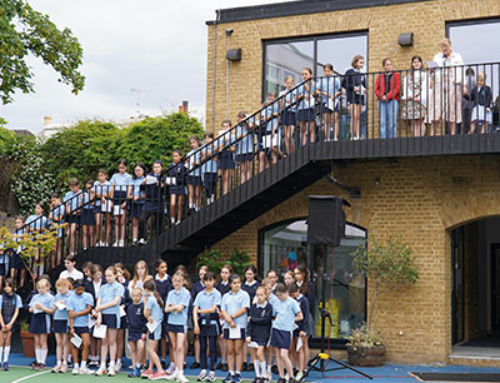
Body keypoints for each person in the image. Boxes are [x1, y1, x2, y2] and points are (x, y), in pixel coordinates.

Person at [429, 38, 464, 136]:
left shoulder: (457, 56)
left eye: (445, 47)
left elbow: (461, 70)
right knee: (436, 107)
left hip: (453, 82)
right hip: (439, 82)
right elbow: (433, 73)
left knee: (451, 107)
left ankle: (452, 133)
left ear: (450, 46)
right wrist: (431, 71)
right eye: (441, 47)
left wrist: (463, 85)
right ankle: (432, 134)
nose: (443, 49)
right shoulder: (437, 57)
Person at [93, 266, 125, 376]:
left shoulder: (119, 287)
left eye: (110, 276)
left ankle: (112, 365)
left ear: (115, 275)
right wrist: (99, 314)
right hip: (103, 316)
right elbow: (99, 301)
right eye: (106, 276)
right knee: (104, 341)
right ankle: (102, 365)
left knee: (112, 341)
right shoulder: (103, 287)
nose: (108, 278)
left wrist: (100, 308)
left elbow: (115, 302)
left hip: (113, 315)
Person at [221, 273, 251, 383]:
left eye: (238, 283)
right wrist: (229, 321)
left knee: (238, 350)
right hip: (229, 326)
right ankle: (231, 372)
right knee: (230, 350)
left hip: (240, 326)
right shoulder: (225, 296)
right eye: (234, 283)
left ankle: (238, 373)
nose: (237, 285)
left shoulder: (244, 295)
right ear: (230, 284)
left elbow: (244, 309)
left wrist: (232, 317)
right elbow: (223, 310)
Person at [271, 284, 303, 383]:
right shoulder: (276, 302)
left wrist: (291, 320)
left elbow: (300, 316)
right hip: (276, 328)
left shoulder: (292, 302)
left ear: (286, 292)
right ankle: (281, 377)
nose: (279, 297)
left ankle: (291, 376)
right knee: (277, 355)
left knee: (284, 354)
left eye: (280, 295)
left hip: (286, 331)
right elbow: (274, 315)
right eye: (277, 295)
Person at [193, 271, 221, 383]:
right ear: (203, 281)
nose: (208, 283)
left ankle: (212, 371)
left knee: (213, 347)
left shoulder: (217, 294)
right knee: (203, 347)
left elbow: (212, 309)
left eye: (211, 280)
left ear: (214, 281)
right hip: (202, 323)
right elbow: (194, 309)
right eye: (206, 280)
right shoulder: (200, 294)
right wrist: (195, 324)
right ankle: (203, 369)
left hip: (213, 323)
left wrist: (200, 311)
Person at [163, 272, 191, 383]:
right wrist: (174, 307)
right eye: (175, 281)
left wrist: (172, 307)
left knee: (180, 347)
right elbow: (166, 309)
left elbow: (180, 308)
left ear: (183, 282)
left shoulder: (186, 293)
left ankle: (181, 372)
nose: (176, 283)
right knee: (174, 347)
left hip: (181, 323)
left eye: (179, 281)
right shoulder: (170, 293)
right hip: (171, 322)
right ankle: (176, 371)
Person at [246, 286, 273, 383]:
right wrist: (248, 334)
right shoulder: (253, 307)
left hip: (263, 334)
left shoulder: (268, 307)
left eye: (261, 295)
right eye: (257, 295)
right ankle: (258, 376)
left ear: (265, 295)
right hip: (254, 334)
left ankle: (265, 375)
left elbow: (265, 320)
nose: (259, 297)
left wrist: (252, 319)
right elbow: (249, 323)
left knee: (260, 353)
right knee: (254, 355)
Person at [68, 279, 94, 375]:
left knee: (87, 343)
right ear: (74, 288)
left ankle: (83, 366)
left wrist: (76, 314)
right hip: (74, 325)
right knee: (74, 345)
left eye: (81, 289)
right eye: (78, 289)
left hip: (84, 324)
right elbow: (70, 314)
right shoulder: (70, 298)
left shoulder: (88, 296)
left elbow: (88, 309)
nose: (80, 291)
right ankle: (76, 367)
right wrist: (71, 327)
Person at [28, 278, 54, 370]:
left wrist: (42, 308)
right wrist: (32, 309)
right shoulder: (35, 297)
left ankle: (43, 362)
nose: (40, 290)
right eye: (39, 288)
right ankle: (38, 361)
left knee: (43, 341)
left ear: (47, 287)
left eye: (42, 288)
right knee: (37, 341)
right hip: (35, 318)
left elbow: (51, 311)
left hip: (44, 319)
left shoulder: (50, 297)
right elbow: (30, 308)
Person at [142, 279, 165, 380]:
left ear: (146, 289)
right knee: (153, 349)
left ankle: (160, 370)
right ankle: (151, 368)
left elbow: (145, 314)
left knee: (150, 349)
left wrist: (145, 302)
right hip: (155, 325)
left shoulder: (150, 299)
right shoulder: (157, 296)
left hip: (155, 326)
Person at [402, 55, 428, 137]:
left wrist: (418, 96)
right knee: (413, 121)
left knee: (420, 120)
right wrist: (411, 96)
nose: (416, 64)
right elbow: (406, 87)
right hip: (411, 99)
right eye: (414, 62)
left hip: (420, 99)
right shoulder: (408, 76)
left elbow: (425, 86)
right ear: (412, 64)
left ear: (421, 63)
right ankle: (415, 139)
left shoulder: (425, 74)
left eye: (418, 62)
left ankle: (420, 138)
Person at [289, 283, 310, 380]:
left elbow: (306, 316)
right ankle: (291, 370)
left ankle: (301, 370)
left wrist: (303, 329)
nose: (292, 296)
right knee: (291, 349)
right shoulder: (290, 300)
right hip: (291, 328)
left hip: (300, 328)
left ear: (298, 291)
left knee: (299, 349)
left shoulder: (304, 300)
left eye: (293, 294)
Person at [375, 58, 400, 139]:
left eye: (390, 64)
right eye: (387, 65)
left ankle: (392, 140)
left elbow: (397, 88)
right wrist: (381, 96)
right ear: (384, 66)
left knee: (392, 122)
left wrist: (388, 96)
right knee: (382, 122)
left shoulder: (396, 75)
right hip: (381, 101)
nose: (389, 66)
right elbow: (376, 88)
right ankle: (383, 141)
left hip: (392, 100)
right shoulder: (380, 76)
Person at [0, 278, 22, 371]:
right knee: (1, 342)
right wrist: (2, 324)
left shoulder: (17, 298)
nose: (7, 288)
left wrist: (10, 323)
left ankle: (5, 361)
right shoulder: (1, 297)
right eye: (5, 286)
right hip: (2, 322)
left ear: (13, 287)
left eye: (9, 286)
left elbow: (17, 312)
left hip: (10, 322)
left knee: (7, 341)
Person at [52, 278, 73, 373]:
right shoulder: (57, 296)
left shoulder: (72, 295)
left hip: (66, 319)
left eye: (61, 288)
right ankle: (58, 363)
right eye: (58, 288)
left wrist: (66, 304)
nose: (60, 290)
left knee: (65, 342)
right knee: (59, 342)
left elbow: (73, 307)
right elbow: (53, 308)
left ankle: (65, 362)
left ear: (67, 286)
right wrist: (56, 305)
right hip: (57, 319)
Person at [343, 55, 366, 140]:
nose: (362, 64)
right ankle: (352, 135)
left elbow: (364, 85)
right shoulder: (349, 72)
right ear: (355, 62)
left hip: (360, 97)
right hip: (352, 96)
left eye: (363, 63)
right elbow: (344, 83)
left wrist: (365, 90)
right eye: (360, 62)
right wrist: (353, 87)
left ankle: (357, 135)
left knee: (358, 117)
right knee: (353, 116)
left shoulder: (362, 74)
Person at [316, 63, 341, 141]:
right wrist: (324, 93)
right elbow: (316, 90)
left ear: (332, 71)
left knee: (335, 119)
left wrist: (335, 95)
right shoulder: (321, 80)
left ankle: (335, 137)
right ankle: (327, 137)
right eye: (325, 71)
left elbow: (340, 90)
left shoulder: (336, 79)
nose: (327, 73)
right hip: (325, 101)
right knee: (327, 120)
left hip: (334, 101)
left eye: (328, 71)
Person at [110, 160, 133, 247]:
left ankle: (122, 240)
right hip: (116, 196)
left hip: (123, 196)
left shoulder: (129, 177)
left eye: (123, 167)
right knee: (116, 220)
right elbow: (112, 187)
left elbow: (129, 189)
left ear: (126, 167)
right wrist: (111, 199)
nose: (121, 169)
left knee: (123, 220)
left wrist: (126, 201)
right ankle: (117, 239)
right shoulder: (115, 176)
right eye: (119, 168)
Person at [141, 160, 166, 238]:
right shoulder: (149, 175)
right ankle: (142, 238)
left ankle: (159, 239)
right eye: (155, 167)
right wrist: (143, 183)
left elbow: (166, 190)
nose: (156, 169)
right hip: (149, 201)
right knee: (142, 219)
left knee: (159, 222)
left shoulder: (164, 176)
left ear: (161, 168)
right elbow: (142, 188)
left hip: (159, 201)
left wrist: (161, 185)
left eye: (158, 167)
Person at [154, 259, 171, 369]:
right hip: (155, 310)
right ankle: (154, 358)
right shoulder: (153, 279)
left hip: (166, 310)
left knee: (164, 336)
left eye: (165, 267)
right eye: (161, 267)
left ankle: (164, 358)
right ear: (157, 268)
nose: (164, 269)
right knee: (155, 336)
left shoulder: (169, 279)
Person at [85, 264, 103, 368]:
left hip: (102, 310)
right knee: (92, 335)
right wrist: (91, 311)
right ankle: (92, 357)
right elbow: (87, 299)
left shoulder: (104, 284)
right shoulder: (88, 285)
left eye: (99, 274)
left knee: (99, 335)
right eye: (95, 274)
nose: (97, 276)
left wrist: (99, 310)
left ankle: (99, 356)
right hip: (91, 312)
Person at [190, 265, 208, 370]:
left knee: (208, 338)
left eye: (203, 274)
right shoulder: (196, 286)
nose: (202, 276)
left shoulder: (211, 287)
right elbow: (193, 300)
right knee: (197, 337)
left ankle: (205, 359)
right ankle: (197, 360)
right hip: (198, 314)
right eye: (200, 274)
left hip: (208, 315)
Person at [216, 264, 232, 372]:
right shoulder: (218, 286)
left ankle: (227, 361)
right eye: (222, 272)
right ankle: (222, 360)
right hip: (220, 315)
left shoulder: (231, 286)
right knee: (221, 338)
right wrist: (218, 310)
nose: (224, 275)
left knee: (225, 337)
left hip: (229, 314)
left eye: (226, 273)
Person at [167, 150, 188, 226]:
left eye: (176, 156)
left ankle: (179, 220)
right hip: (173, 185)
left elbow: (183, 177)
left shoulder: (183, 166)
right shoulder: (170, 166)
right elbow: (170, 174)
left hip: (180, 186)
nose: (174, 158)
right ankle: (172, 219)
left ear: (180, 156)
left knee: (179, 204)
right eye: (173, 156)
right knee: (172, 203)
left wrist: (178, 178)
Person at [296, 68, 316, 146]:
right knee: (302, 128)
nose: (304, 76)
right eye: (303, 74)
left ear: (310, 75)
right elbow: (295, 97)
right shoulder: (299, 85)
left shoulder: (314, 84)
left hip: (310, 108)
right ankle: (303, 145)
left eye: (306, 74)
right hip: (302, 108)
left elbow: (316, 95)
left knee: (311, 128)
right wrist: (303, 95)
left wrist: (309, 91)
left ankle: (311, 144)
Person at [128, 163, 147, 246]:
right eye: (136, 170)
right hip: (134, 202)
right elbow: (130, 190)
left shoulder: (146, 179)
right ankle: (134, 239)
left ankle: (142, 238)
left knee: (142, 220)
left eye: (139, 170)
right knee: (134, 221)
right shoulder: (132, 179)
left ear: (143, 171)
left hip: (142, 203)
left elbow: (147, 194)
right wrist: (130, 196)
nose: (137, 172)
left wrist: (139, 197)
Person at [64, 179, 83, 255]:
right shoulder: (68, 194)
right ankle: (71, 250)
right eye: (71, 187)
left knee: (72, 232)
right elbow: (65, 202)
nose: (72, 189)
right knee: (69, 234)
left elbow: (82, 206)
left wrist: (77, 211)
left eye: (74, 187)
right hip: (69, 215)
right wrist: (67, 208)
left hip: (77, 215)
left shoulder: (82, 193)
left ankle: (72, 251)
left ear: (78, 186)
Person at [217, 120, 236, 195]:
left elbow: (233, 148)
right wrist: (224, 142)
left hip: (229, 156)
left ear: (230, 127)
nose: (225, 128)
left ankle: (227, 191)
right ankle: (224, 191)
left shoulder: (233, 136)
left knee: (228, 176)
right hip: (222, 157)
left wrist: (225, 146)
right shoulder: (220, 137)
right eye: (223, 127)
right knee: (223, 176)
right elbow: (217, 149)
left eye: (227, 126)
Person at [94, 169, 112, 247]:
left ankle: (106, 241)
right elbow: (94, 193)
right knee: (98, 223)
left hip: (106, 203)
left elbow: (109, 194)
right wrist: (101, 196)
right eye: (99, 176)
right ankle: (100, 240)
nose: (100, 177)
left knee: (107, 221)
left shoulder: (109, 183)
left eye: (102, 175)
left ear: (106, 176)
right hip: (98, 204)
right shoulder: (96, 183)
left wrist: (102, 196)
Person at [235, 111, 255, 183]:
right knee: (242, 169)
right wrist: (240, 136)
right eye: (240, 118)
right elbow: (236, 138)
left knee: (248, 167)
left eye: (242, 118)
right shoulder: (238, 127)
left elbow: (252, 127)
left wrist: (247, 120)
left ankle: (248, 182)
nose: (241, 119)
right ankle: (242, 183)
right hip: (240, 149)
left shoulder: (248, 126)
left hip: (248, 148)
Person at [279, 75, 297, 154]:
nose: (289, 85)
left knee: (290, 135)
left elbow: (296, 103)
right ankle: (288, 152)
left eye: (291, 83)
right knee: (286, 136)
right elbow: (280, 106)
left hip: (292, 113)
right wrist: (282, 99)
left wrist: (290, 102)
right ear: (285, 84)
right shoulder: (282, 93)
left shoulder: (294, 92)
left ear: (293, 83)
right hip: (284, 113)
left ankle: (293, 152)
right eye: (287, 83)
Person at [200, 132, 219, 205]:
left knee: (213, 185)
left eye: (209, 138)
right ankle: (209, 197)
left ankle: (212, 198)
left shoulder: (215, 147)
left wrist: (211, 154)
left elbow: (216, 159)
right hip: (205, 169)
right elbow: (201, 158)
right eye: (206, 138)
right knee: (207, 186)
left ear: (212, 139)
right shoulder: (203, 147)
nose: (207, 140)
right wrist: (205, 155)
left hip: (213, 169)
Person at [48, 193, 65, 269]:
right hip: (52, 228)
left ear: (59, 199)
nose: (53, 203)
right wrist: (51, 210)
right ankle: (52, 266)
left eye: (54, 200)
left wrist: (52, 218)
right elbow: (49, 217)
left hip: (58, 228)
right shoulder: (53, 208)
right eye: (52, 201)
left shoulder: (61, 207)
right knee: (52, 249)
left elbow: (59, 218)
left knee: (57, 248)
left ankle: (57, 265)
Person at [187, 136, 203, 213]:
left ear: (198, 142)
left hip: (198, 174)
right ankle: (191, 208)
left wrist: (197, 163)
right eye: (191, 143)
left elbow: (203, 160)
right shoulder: (189, 153)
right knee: (191, 192)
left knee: (197, 193)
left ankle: (198, 208)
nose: (192, 144)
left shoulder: (202, 150)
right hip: (191, 173)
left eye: (194, 142)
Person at [10, 217, 26, 288]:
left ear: (23, 224)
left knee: (22, 269)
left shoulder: (24, 231)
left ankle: (21, 285)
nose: (17, 224)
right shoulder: (15, 232)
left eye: (19, 222)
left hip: (22, 251)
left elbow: (24, 237)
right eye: (16, 223)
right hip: (15, 251)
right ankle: (14, 285)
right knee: (13, 270)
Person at [81, 179, 96, 250]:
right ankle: (85, 247)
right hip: (84, 211)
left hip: (91, 211)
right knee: (84, 231)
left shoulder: (94, 193)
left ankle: (92, 247)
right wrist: (82, 199)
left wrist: (92, 195)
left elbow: (93, 203)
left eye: (89, 187)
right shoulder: (84, 194)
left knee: (91, 231)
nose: (88, 189)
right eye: (87, 188)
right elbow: (81, 205)